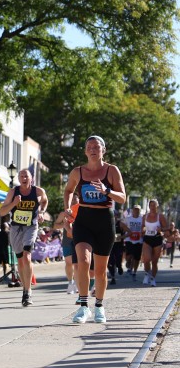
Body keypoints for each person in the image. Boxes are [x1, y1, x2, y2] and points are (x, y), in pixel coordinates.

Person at [63, 135, 126, 324]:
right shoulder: (78, 172)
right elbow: (68, 190)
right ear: (85, 151)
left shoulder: (112, 170)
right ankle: (83, 306)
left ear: (103, 150)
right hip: (83, 220)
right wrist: (67, 207)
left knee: (100, 270)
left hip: (104, 221)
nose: (92, 149)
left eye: (96, 147)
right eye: (89, 147)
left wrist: (107, 191)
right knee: (83, 261)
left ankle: (99, 306)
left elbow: (122, 197)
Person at [0, 169, 48, 306]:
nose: (24, 178)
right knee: (20, 260)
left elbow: (45, 201)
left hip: (31, 227)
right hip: (15, 228)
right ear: (19, 179)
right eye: (21, 176)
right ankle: (24, 289)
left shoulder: (38, 191)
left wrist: (41, 212)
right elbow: (2, 211)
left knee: (27, 256)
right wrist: (14, 203)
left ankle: (28, 291)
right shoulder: (13, 192)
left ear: (31, 178)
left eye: (26, 176)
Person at [140, 199, 168, 286]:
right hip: (147, 239)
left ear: (157, 206)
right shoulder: (145, 216)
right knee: (147, 259)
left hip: (157, 239)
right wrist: (143, 229)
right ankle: (146, 274)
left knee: (154, 261)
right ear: (149, 206)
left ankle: (153, 278)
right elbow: (142, 227)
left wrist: (161, 229)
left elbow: (166, 228)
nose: (152, 207)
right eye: (151, 205)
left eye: (154, 205)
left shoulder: (160, 216)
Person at [53, 208, 78, 294]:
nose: (74, 202)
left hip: (79, 239)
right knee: (69, 262)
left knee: (78, 263)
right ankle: (70, 282)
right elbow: (55, 226)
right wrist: (65, 224)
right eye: (72, 201)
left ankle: (77, 282)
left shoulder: (82, 209)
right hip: (67, 241)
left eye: (76, 201)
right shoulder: (64, 213)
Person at [121, 205, 143, 279]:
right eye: (135, 209)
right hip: (129, 239)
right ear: (132, 210)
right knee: (129, 256)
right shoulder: (128, 219)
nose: (136, 211)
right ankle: (128, 263)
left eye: (138, 209)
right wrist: (126, 232)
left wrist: (143, 231)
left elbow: (144, 227)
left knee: (137, 257)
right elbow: (122, 226)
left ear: (140, 211)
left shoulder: (142, 219)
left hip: (139, 240)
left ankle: (134, 271)